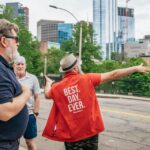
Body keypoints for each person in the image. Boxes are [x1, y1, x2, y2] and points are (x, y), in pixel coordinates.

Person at [42, 53, 150, 150]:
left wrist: (49, 83)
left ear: (64, 71)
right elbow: (113, 74)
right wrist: (135, 68)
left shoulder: (57, 87)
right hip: (90, 132)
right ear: (75, 68)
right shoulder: (88, 79)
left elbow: (47, 94)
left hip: (71, 136)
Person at [0, 19, 30, 150]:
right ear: (3, 41)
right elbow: (4, 111)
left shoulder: (5, 67)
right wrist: (26, 93)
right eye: (16, 40)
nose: (18, 44)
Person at [13, 56, 40, 150]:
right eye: (18, 64)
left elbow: (37, 97)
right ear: (14, 65)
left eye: (22, 64)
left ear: (25, 65)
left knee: (29, 142)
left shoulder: (33, 78)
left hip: (29, 115)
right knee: (13, 142)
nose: (20, 66)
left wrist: (36, 113)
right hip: (13, 115)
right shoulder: (10, 77)